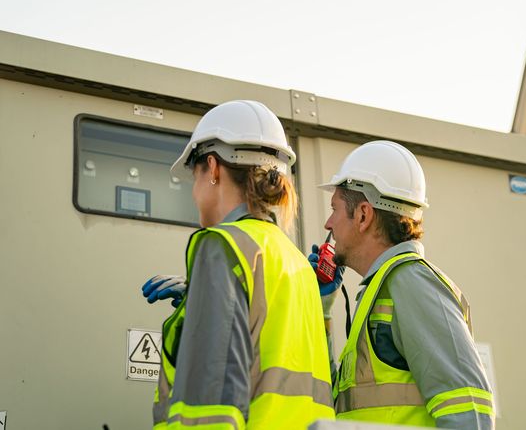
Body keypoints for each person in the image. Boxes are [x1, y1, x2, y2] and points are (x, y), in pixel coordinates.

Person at [144, 100, 334, 430]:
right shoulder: (295, 261)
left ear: (214, 168)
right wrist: (199, 300)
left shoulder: (221, 245)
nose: (194, 192)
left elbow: (211, 402)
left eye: (195, 175)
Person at [310, 140, 495, 429]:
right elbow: (340, 406)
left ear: (363, 215)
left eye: (334, 209)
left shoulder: (411, 283)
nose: (328, 224)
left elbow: (469, 411)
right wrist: (322, 308)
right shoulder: (383, 289)